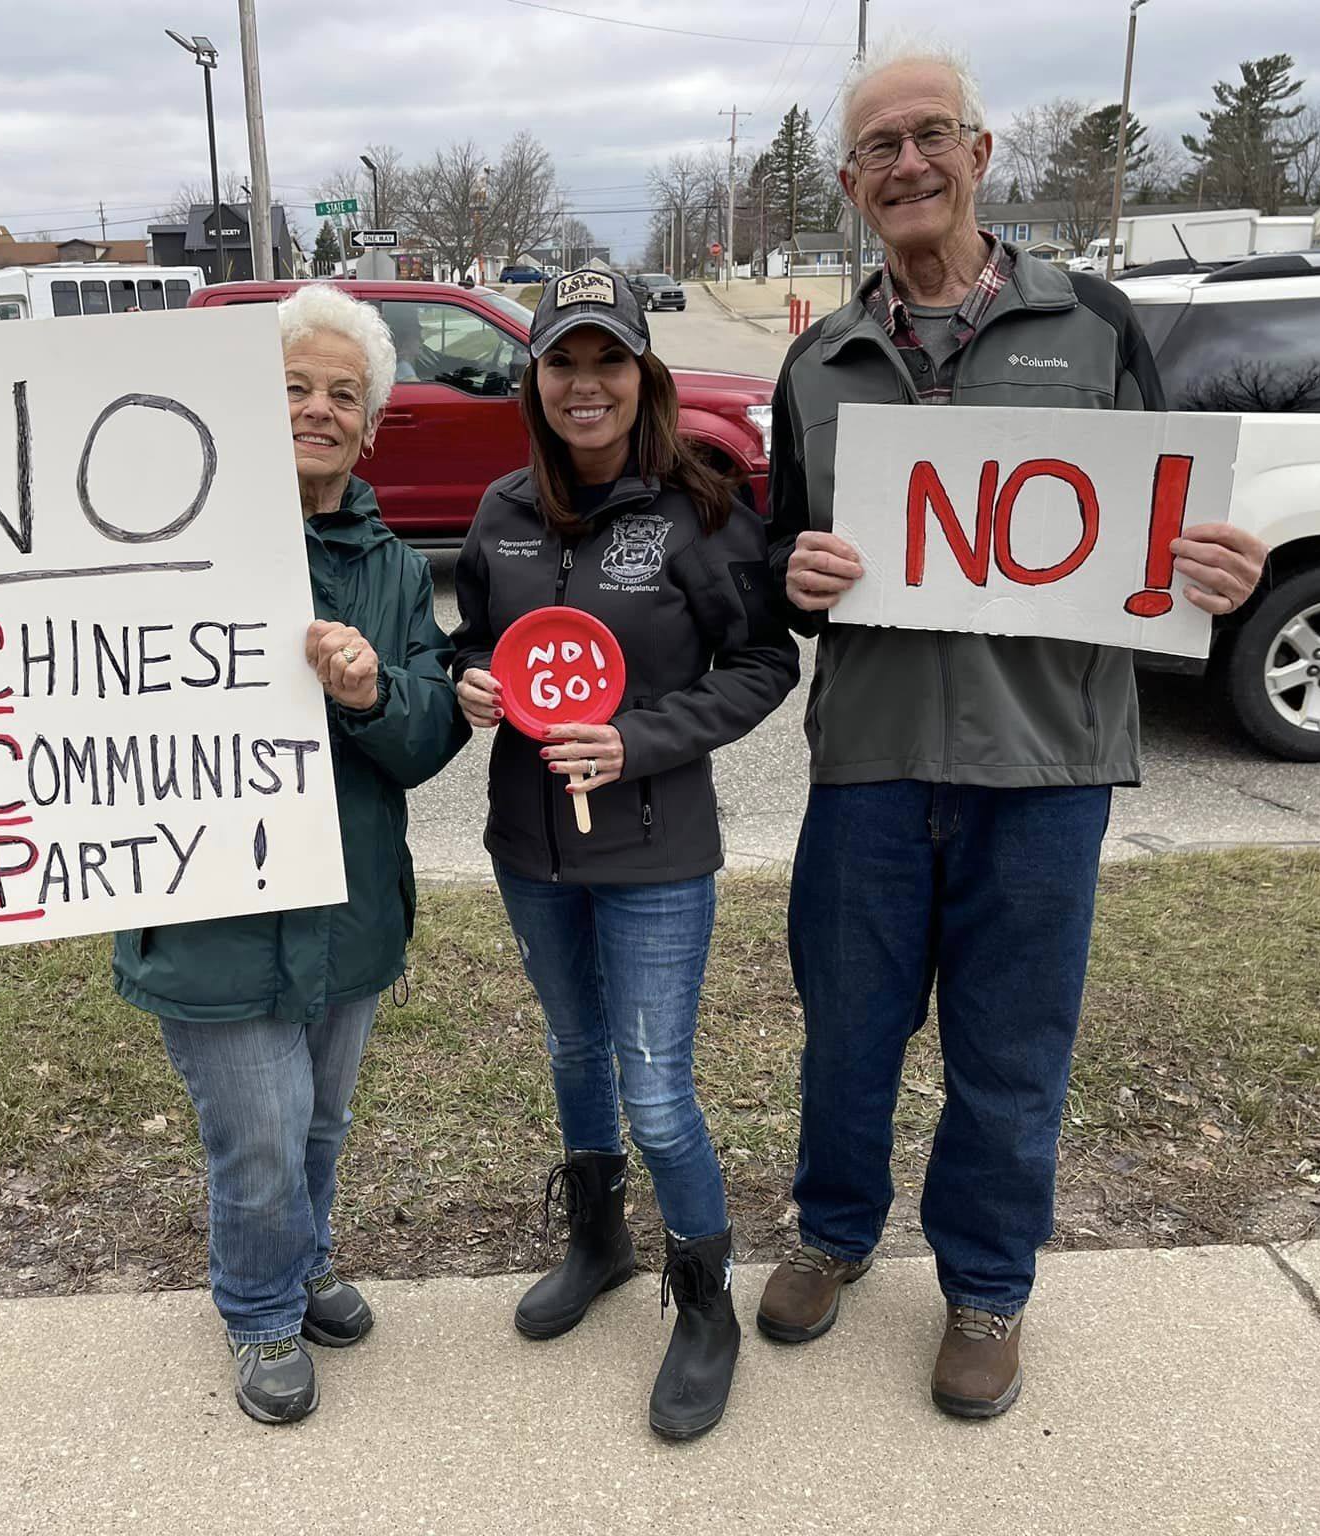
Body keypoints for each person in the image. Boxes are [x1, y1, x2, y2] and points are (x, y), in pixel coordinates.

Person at [0, 283, 467, 1426]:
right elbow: (16, 632)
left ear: (372, 427)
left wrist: (374, 687)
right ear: (245, 402)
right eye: (293, 387)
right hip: (204, 911)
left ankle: (306, 1259)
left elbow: (430, 735)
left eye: (344, 395)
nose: (319, 410)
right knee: (261, 1136)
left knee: (319, 1124)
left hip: (347, 911)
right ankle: (261, 1312)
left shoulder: (386, 568)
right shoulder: (135, 536)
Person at [758, 45, 1269, 1418]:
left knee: (1012, 1043)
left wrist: (1214, 568)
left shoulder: (1095, 328)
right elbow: (780, 557)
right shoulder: (817, 359)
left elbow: (1163, 535)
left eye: (931, 136)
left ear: (982, 154)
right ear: (853, 183)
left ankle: (988, 1284)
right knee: (849, 1030)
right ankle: (834, 1230)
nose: (906, 164)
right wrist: (792, 579)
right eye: (877, 147)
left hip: (1046, 768)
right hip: (868, 760)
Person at [451, 269, 799, 1440]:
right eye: (562, 361)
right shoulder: (498, 509)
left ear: (640, 377)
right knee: (570, 1050)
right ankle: (596, 1240)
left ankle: (704, 1307)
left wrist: (637, 739)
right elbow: (476, 639)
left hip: (653, 851)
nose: (583, 384)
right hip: (529, 845)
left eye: (607, 362)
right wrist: (469, 682)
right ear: (533, 378)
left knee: (654, 1089)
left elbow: (760, 666)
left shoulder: (698, 510)